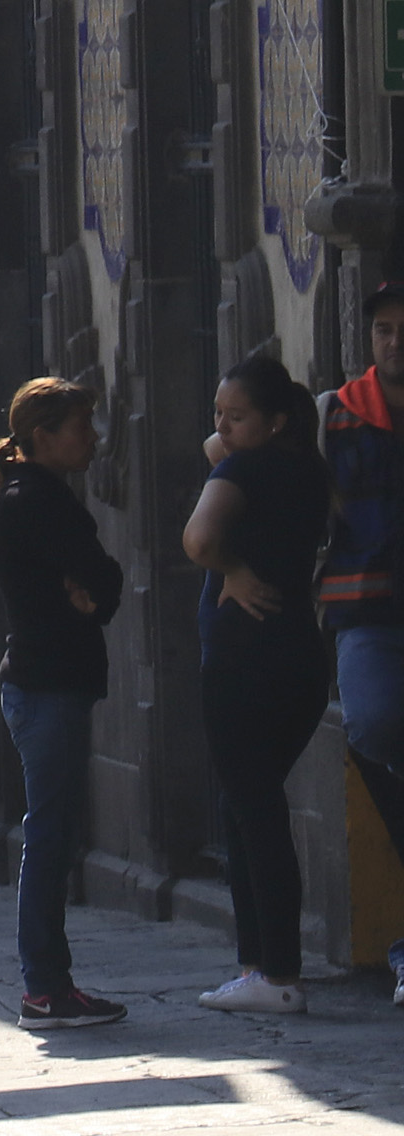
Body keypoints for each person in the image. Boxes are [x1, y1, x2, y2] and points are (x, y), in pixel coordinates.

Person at [184, 351, 333, 1015]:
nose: (222, 427)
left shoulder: (242, 469)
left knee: (255, 811)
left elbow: (198, 539)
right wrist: (233, 430)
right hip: (301, 655)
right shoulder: (306, 466)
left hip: (244, 659)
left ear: (273, 420)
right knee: (247, 806)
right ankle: (259, 968)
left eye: (237, 415)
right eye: (219, 413)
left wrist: (231, 568)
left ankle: (275, 972)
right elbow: (217, 446)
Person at [0, 377, 126, 1028]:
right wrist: (92, 586)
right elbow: (101, 575)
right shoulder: (34, 499)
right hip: (45, 686)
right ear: (44, 438)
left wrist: (96, 587)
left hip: (47, 682)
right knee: (49, 834)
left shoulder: (36, 494)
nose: (92, 439)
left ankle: (49, 982)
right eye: (80, 428)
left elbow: (102, 584)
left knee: (54, 830)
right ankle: (44, 986)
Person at [320, 278, 404, 1006]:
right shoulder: (336, 415)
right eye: (383, 329)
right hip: (367, 608)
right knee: (373, 721)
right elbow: (230, 450)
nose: (395, 342)